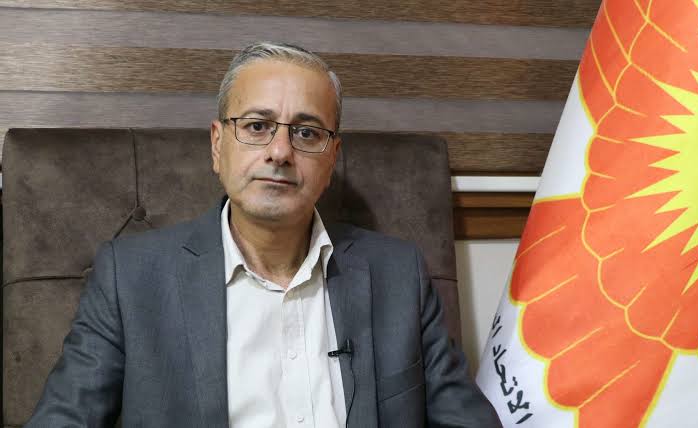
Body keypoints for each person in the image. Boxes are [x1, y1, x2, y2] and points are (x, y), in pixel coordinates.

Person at [26, 42, 501, 427]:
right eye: (257, 126)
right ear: (218, 145)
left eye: (307, 133)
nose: (280, 152)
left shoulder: (399, 274)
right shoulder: (130, 277)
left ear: (332, 158)